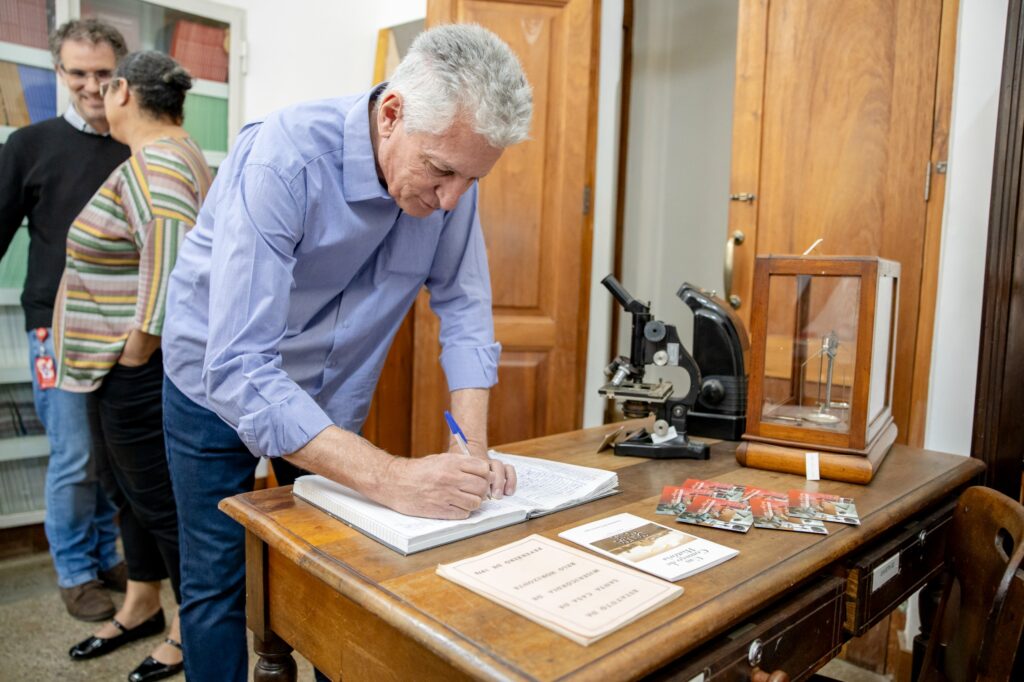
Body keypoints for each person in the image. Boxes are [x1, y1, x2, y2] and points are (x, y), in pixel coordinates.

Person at [161, 23, 533, 681]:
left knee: (339, 563)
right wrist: (391, 477)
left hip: (326, 396)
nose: (450, 201)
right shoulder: (284, 157)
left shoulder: (452, 184)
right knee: (216, 576)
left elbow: (467, 312)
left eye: (470, 181)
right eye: (442, 172)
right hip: (213, 381)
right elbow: (243, 368)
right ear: (392, 114)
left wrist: (470, 446)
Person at [54, 50, 212, 682]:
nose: (97, 95)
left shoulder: (160, 161)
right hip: (116, 368)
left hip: (136, 370)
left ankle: (185, 627)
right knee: (132, 498)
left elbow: (170, 258)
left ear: (123, 91)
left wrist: (137, 349)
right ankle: (143, 601)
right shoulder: (171, 155)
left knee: (161, 503)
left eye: (105, 85)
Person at [0, 19, 129, 622]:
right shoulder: (28, 145)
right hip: (57, 329)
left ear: (120, 72)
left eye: (103, 72)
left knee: (111, 459)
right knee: (75, 456)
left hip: (128, 333)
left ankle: (107, 557)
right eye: (78, 72)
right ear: (60, 73)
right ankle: (76, 570)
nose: (91, 84)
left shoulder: (139, 146)